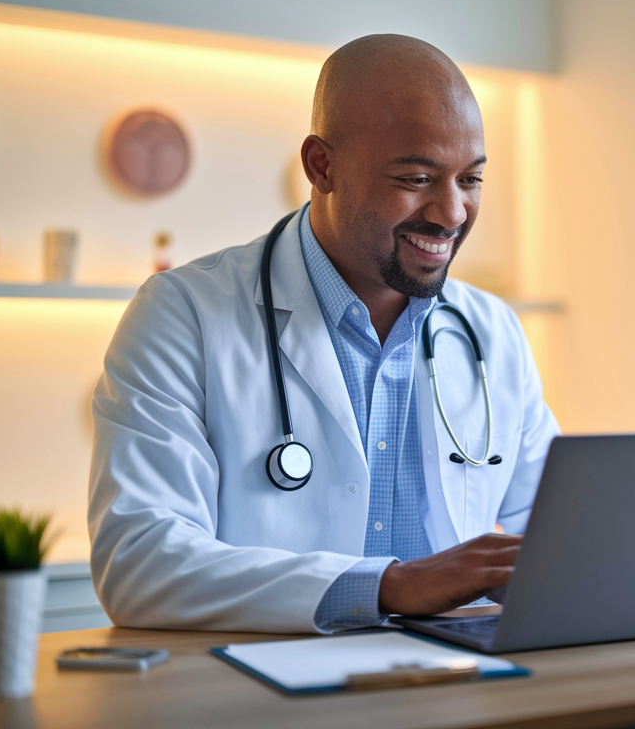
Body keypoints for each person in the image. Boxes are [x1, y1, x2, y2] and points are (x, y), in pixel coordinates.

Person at [88, 35, 559, 633]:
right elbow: (140, 565)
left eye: (470, 180)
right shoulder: (183, 315)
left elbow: (558, 533)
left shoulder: (490, 331)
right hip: (272, 694)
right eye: (416, 177)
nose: (452, 213)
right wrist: (391, 586)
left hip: (458, 684)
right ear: (322, 166)